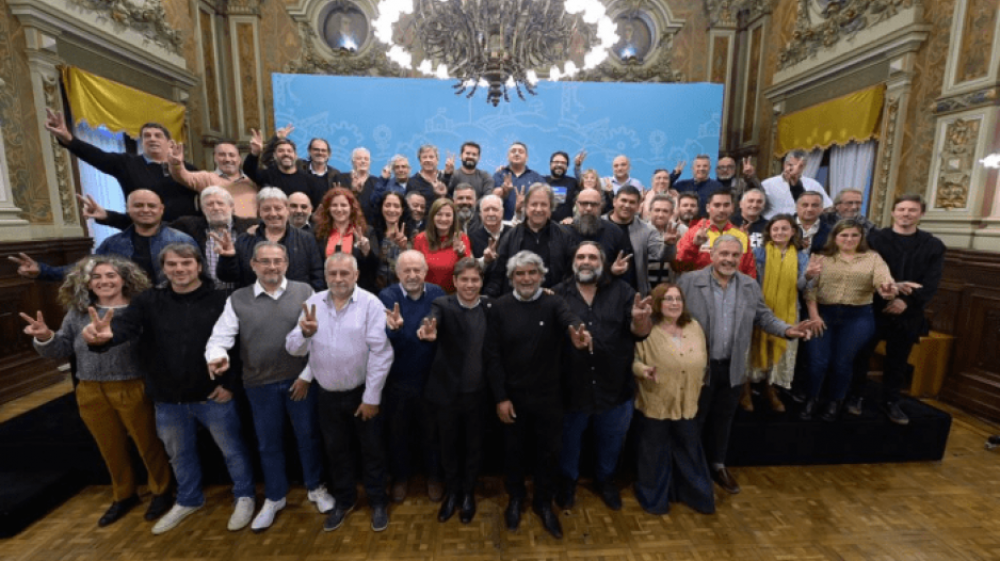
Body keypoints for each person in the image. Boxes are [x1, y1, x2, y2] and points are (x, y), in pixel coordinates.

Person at [83, 243, 256, 535]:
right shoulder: (149, 300)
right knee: (180, 454)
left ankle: (245, 496)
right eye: (172, 264)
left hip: (213, 395)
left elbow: (239, 345)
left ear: (199, 266)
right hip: (167, 397)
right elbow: (124, 329)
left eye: (186, 263)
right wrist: (103, 338)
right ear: (164, 269)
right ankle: (189, 500)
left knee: (233, 451)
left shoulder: (221, 299)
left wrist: (230, 385)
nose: (180, 269)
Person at [21, 256, 172, 527]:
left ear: (124, 279)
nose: (104, 281)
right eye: (97, 277)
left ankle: (161, 490)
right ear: (88, 283)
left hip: (131, 385)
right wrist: (45, 336)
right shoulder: (78, 313)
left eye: (110, 276)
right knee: (109, 447)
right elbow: (61, 349)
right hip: (89, 389)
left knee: (148, 443)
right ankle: (124, 494)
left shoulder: (140, 309)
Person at [204, 242, 334, 531]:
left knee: (308, 437)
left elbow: (320, 340)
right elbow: (220, 338)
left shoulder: (305, 292)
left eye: (277, 261)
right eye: (265, 261)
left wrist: (307, 377)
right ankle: (275, 496)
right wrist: (217, 358)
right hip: (259, 384)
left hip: (301, 381)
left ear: (286, 264)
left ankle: (315, 487)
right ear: (253, 265)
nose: (272, 267)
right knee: (268, 444)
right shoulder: (238, 298)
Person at [678, 236, 812, 494]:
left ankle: (717, 464)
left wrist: (788, 330)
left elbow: (764, 316)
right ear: (713, 254)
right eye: (724, 253)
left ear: (741, 258)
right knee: (694, 419)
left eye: (734, 255)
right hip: (698, 367)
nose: (729, 259)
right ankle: (691, 470)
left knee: (724, 419)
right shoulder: (689, 281)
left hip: (733, 367)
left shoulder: (750, 285)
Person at [484, 250, 592, 539]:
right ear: (511, 278)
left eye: (532, 272)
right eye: (520, 273)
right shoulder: (499, 307)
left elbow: (569, 317)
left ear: (542, 275)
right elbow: (492, 357)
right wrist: (500, 398)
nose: (527, 278)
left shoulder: (554, 302)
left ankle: (544, 503)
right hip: (512, 398)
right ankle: (516, 499)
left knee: (548, 454)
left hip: (550, 398)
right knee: (513, 454)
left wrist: (575, 330)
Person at [285, 252, 393, 532]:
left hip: (361, 393)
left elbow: (381, 354)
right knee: (336, 452)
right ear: (325, 275)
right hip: (328, 395)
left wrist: (371, 397)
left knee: (372, 451)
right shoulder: (313, 303)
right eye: (332, 274)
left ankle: (378, 501)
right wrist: (305, 333)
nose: (338, 279)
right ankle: (345, 501)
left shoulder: (371, 303)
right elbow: (293, 348)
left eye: (345, 273)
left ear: (356, 275)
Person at [553, 242, 653, 511]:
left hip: (615, 386)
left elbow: (639, 332)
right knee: (568, 443)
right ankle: (567, 482)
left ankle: (606, 480)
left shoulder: (623, 292)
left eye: (592, 257)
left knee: (611, 442)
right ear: (573, 261)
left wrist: (641, 321)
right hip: (570, 389)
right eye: (581, 256)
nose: (586, 261)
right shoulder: (557, 294)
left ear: (602, 263)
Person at [847, 195, 944, 424]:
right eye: (901, 209)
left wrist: (905, 303)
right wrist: (886, 293)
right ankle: (855, 396)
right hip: (873, 307)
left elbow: (931, 283)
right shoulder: (874, 239)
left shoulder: (933, 245)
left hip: (909, 312)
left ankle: (891, 401)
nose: (906, 214)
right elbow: (863, 271)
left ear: (921, 214)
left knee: (898, 360)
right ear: (893, 212)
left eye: (912, 210)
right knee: (861, 355)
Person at [801, 221, 898, 422]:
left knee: (842, 362)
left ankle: (835, 401)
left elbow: (883, 281)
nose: (849, 239)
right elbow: (810, 288)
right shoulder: (821, 257)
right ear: (835, 237)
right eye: (844, 235)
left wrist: (888, 291)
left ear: (861, 237)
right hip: (823, 313)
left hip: (857, 317)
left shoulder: (873, 258)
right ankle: (811, 399)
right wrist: (814, 315)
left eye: (854, 235)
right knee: (817, 361)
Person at [418, 258, 491, 523]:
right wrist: (428, 329)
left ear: (481, 282)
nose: (470, 285)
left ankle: (468, 494)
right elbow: (431, 320)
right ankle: (452, 494)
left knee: (474, 448)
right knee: (447, 448)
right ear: (455, 281)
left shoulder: (490, 306)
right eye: (465, 280)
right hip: (446, 394)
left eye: (475, 280)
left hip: (479, 393)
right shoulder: (442, 304)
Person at [631, 283, 714, 515]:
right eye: (668, 299)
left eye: (678, 299)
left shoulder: (694, 326)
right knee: (653, 454)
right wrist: (642, 370)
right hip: (656, 400)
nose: (674, 303)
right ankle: (654, 499)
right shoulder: (646, 328)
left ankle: (695, 496)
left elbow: (703, 357)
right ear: (658, 303)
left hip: (688, 401)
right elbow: (633, 359)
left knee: (689, 450)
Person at [10, 190, 197, 284]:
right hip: (127, 310)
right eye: (139, 205)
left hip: (172, 310)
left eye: (151, 206)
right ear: (128, 209)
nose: (145, 210)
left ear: (161, 209)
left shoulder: (182, 240)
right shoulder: (113, 243)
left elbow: (200, 278)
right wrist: (43, 271)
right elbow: (85, 269)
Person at [43, 109, 199, 220]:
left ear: (170, 143)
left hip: (187, 235)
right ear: (142, 143)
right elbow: (97, 156)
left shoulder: (189, 169)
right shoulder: (127, 164)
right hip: (144, 234)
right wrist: (68, 139)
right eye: (146, 136)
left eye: (158, 136)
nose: (152, 139)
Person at [378, 251, 447, 502]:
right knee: (398, 434)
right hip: (398, 380)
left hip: (430, 379)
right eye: (406, 270)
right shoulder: (387, 296)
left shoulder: (438, 293)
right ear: (397, 273)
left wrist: (432, 329)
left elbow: (439, 322)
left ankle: (434, 477)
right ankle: (401, 478)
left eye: (417, 269)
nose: (412, 275)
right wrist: (394, 330)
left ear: (425, 271)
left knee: (432, 433)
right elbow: (386, 337)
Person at [744, 215, 818, 413]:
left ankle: (771, 390)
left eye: (784, 229)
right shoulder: (759, 253)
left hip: (788, 311)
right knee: (751, 350)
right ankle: (747, 390)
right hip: (759, 309)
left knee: (779, 351)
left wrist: (809, 276)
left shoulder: (802, 256)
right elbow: (749, 279)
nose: (780, 233)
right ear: (769, 232)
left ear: (793, 231)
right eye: (775, 229)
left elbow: (801, 287)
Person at [215, 188, 325, 290]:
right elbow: (228, 277)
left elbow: (317, 275)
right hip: (255, 305)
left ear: (287, 210)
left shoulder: (305, 239)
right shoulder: (245, 239)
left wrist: (308, 301)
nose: (273, 214)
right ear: (260, 212)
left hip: (295, 306)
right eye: (266, 209)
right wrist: (227, 258)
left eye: (278, 208)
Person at [484, 183, 577, 296]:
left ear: (551, 208)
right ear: (526, 207)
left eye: (543, 205)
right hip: (517, 303)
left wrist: (555, 291)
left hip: (553, 302)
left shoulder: (565, 236)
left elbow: (572, 274)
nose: (538, 209)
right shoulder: (510, 236)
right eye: (534, 204)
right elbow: (498, 274)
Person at [676, 190, 756, 278]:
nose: (721, 210)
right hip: (700, 288)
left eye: (726, 205)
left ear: (732, 208)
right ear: (707, 208)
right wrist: (694, 245)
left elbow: (749, 271)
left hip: (733, 289)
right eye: (717, 205)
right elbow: (679, 267)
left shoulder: (741, 235)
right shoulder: (693, 233)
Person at [167, 141, 259, 218]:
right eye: (222, 155)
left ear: (239, 159)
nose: (227, 159)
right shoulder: (207, 178)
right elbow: (183, 177)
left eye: (232, 155)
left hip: (253, 232)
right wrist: (176, 164)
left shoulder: (252, 180)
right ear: (215, 158)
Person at [605, 185, 668, 295]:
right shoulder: (598, 225)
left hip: (635, 295)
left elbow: (662, 256)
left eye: (632, 202)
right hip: (602, 293)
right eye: (623, 200)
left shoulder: (647, 230)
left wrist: (669, 244)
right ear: (614, 201)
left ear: (639, 206)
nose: (627, 205)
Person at [313, 187, 379, 292]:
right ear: (328, 208)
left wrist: (367, 252)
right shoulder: (318, 233)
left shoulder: (367, 231)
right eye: (334, 205)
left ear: (351, 208)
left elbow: (374, 270)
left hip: (358, 292)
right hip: (326, 291)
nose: (339, 209)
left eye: (343, 205)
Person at [569, 188, 635, 286]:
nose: (588, 208)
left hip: (607, 293)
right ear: (577, 205)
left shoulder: (615, 232)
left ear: (601, 206)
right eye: (584, 203)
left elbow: (627, 273)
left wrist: (613, 271)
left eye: (593, 204)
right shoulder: (564, 232)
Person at [243, 132, 326, 208]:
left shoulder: (310, 180)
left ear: (295, 156)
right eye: (281, 151)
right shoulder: (267, 175)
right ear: (275, 155)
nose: (286, 154)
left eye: (289, 151)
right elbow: (249, 170)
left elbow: (316, 208)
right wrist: (255, 153)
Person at [413, 198, 472, 294]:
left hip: (454, 296)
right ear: (432, 216)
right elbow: (415, 270)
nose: (443, 219)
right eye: (439, 214)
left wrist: (461, 254)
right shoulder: (420, 239)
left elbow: (468, 271)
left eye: (448, 215)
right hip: (427, 295)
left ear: (453, 218)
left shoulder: (462, 238)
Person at [761, 150, 832, 219]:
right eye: (790, 165)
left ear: (804, 167)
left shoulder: (813, 185)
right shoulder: (767, 184)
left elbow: (827, 207)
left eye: (799, 166)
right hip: (771, 225)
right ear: (785, 164)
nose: (794, 169)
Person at [370, 191, 416, 291]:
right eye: (387, 205)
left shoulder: (412, 234)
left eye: (396, 206)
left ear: (402, 209)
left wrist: (404, 249)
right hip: (376, 291)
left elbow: (415, 266)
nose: (391, 209)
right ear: (381, 207)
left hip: (403, 290)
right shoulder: (372, 232)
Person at [492, 142, 545, 220]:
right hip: (503, 224)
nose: (516, 154)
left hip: (529, 225)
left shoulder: (536, 177)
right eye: (513, 151)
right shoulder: (499, 174)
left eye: (520, 151)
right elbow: (491, 198)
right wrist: (504, 191)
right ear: (508, 156)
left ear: (526, 157)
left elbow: (545, 199)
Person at [646, 194, 682, 287]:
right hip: (645, 286)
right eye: (657, 210)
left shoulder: (682, 231)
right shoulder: (641, 231)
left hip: (671, 286)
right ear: (650, 211)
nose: (660, 215)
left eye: (665, 211)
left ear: (671, 214)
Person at [335, 147, 378, 223]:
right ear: (352, 161)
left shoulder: (377, 182)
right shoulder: (340, 178)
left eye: (366, 159)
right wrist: (353, 190)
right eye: (359, 158)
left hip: (370, 225)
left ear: (370, 162)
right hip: (345, 223)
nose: (363, 161)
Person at [547, 151, 580, 222]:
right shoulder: (541, 180)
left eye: (563, 163)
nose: (559, 165)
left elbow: (585, 187)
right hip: (544, 226)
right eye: (556, 162)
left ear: (567, 167)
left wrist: (577, 167)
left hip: (566, 227)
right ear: (550, 164)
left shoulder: (573, 182)